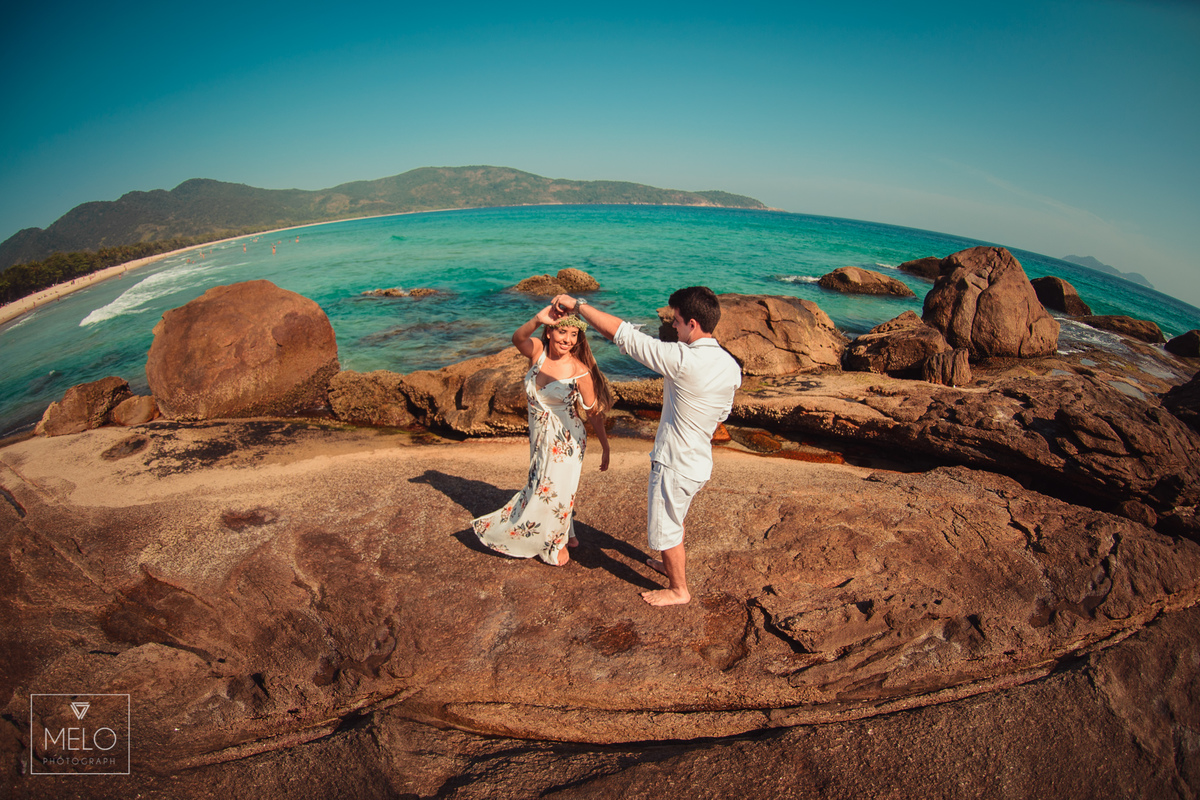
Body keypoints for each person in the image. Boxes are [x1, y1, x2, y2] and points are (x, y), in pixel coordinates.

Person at [549, 287, 741, 606]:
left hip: (675, 464)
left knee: (666, 527)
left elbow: (624, 336)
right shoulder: (729, 364)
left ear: (693, 324)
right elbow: (722, 413)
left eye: (677, 322)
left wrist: (579, 306)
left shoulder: (683, 359)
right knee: (676, 517)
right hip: (699, 461)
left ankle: (679, 589)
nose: (673, 328)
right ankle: (668, 564)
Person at [472, 306, 612, 566]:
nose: (567, 340)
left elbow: (593, 413)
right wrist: (537, 318)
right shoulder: (537, 351)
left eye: (573, 334)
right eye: (562, 331)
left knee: (555, 489)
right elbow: (517, 339)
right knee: (542, 484)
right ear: (549, 332)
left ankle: (554, 543)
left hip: (566, 441)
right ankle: (567, 533)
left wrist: (605, 445)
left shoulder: (580, 371)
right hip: (539, 437)